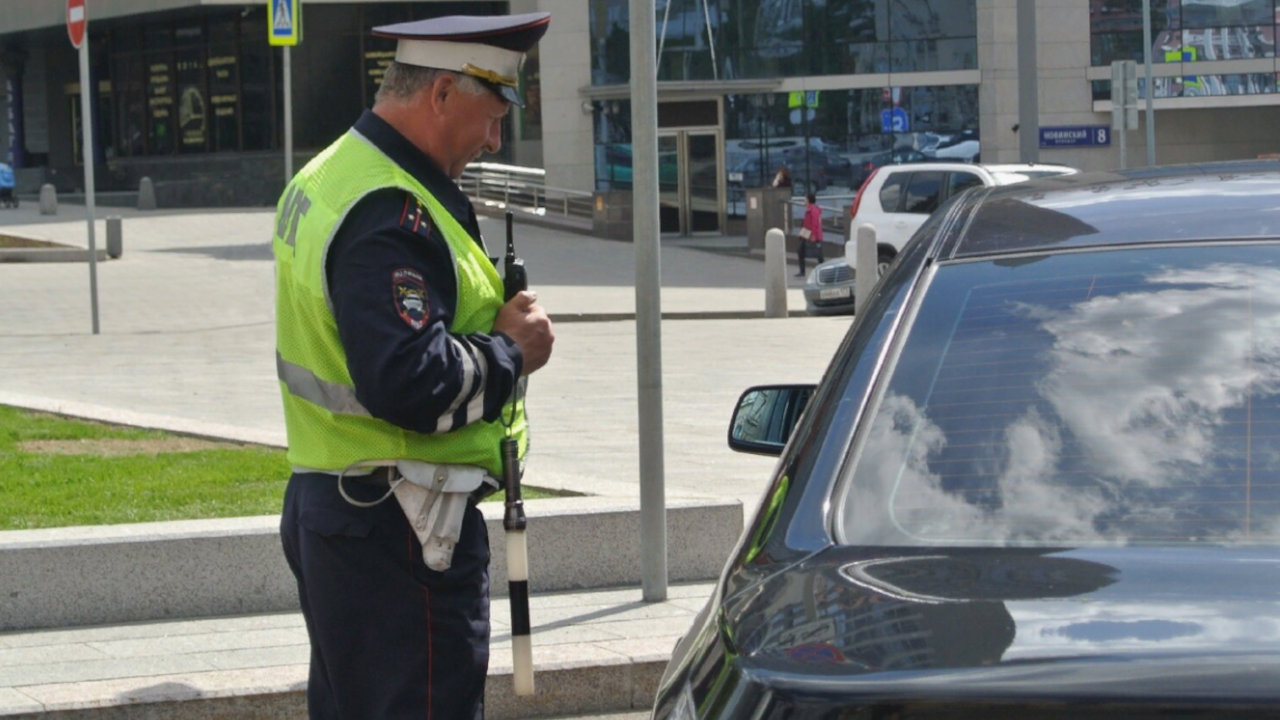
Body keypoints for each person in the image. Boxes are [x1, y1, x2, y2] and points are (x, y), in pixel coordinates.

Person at [272, 12, 554, 719]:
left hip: (350, 514)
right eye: (492, 116)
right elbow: (409, 380)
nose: (494, 140)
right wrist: (512, 352)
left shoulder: (333, 173)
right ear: (440, 95)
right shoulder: (390, 209)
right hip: (400, 531)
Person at [796, 192, 823, 276]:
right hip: (807, 234)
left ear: (808, 200)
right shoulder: (810, 210)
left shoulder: (813, 210)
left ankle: (822, 270)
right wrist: (801, 234)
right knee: (801, 252)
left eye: (805, 199)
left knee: (819, 255)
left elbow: (814, 224)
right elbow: (807, 224)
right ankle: (802, 271)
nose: (804, 201)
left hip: (811, 234)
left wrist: (813, 235)